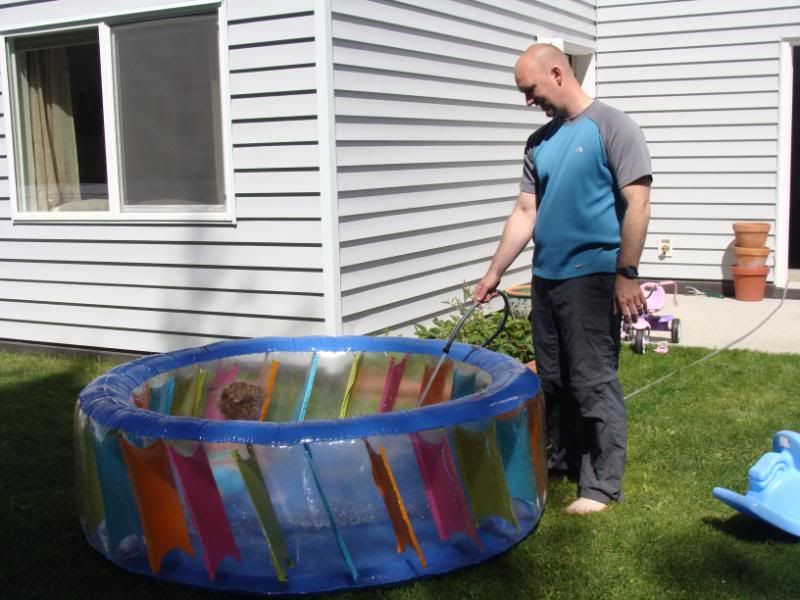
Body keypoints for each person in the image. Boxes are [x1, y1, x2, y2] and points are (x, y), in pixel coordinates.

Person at [474, 43, 652, 514]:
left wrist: (626, 274)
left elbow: (638, 204)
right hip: (546, 276)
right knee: (551, 380)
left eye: (530, 90)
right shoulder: (538, 142)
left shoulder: (613, 126)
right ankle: (560, 463)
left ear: (557, 73)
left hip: (592, 276)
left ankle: (601, 485)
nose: (528, 101)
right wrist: (494, 272)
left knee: (592, 380)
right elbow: (525, 211)